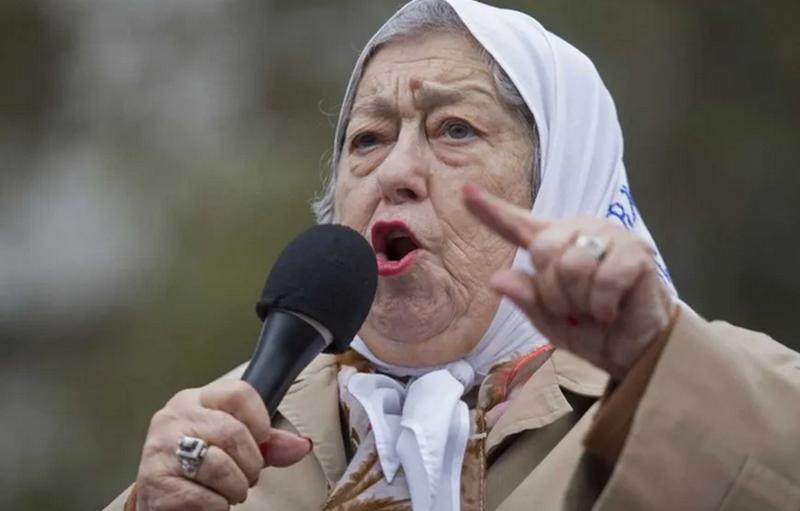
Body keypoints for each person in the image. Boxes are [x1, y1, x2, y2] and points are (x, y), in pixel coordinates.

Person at [104, 0, 800, 510]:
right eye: (369, 138)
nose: (395, 171)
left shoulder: (682, 385)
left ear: (560, 186)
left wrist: (657, 364)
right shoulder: (229, 436)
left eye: (455, 129)